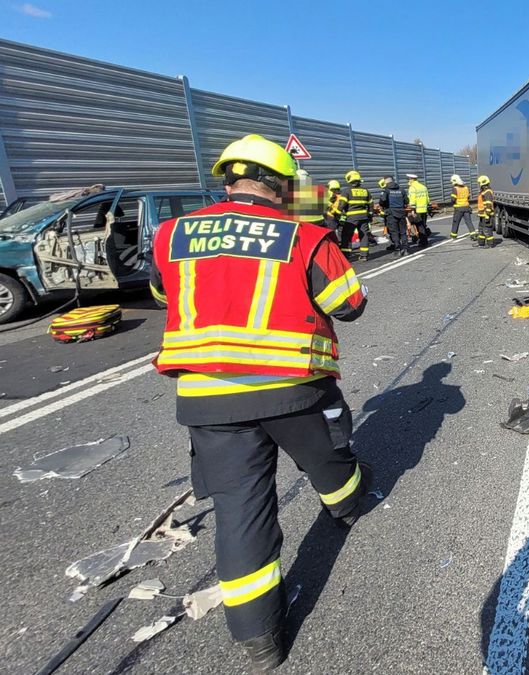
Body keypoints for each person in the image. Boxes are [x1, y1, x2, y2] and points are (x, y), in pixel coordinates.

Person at [149, 134, 371, 672]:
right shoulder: (305, 236)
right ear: (280, 186)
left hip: (207, 397)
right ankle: (345, 505)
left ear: (228, 179)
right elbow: (350, 304)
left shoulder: (172, 232)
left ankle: (259, 640)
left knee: (241, 513)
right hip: (292, 388)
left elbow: (163, 293)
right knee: (329, 460)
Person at [340, 170, 372, 261]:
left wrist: (337, 214)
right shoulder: (366, 191)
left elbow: (342, 205)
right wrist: (370, 215)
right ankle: (364, 255)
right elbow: (370, 204)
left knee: (346, 235)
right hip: (364, 217)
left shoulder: (346, 191)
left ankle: (346, 255)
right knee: (364, 235)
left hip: (351, 218)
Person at [377, 176, 409, 256]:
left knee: (394, 232)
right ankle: (405, 249)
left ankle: (397, 249)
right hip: (401, 213)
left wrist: (383, 205)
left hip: (391, 214)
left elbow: (382, 201)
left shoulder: (386, 191)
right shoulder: (401, 190)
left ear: (386, 182)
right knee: (403, 232)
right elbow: (406, 201)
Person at [405, 173, 430, 248]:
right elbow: (428, 199)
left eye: (408, 179)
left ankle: (423, 242)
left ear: (411, 179)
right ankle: (423, 240)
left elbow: (412, 200)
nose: (408, 181)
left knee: (419, 226)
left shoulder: (412, 188)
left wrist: (412, 210)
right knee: (423, 225)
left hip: (417, 210)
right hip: (424, 209)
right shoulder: (423, 187)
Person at [447, 174, 474, 240]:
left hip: (458, 208)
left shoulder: (455, 189)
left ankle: (453, 235)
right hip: (466, 207)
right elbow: (468, 197)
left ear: (454, 181)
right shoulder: (466, 188)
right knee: (469, 222)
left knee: (456, 222)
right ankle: (473, 234)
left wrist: (452, 203)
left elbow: (453, 199)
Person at [476, 174, 496, 248]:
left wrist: (487, 215)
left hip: (486, 215)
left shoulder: (487, 192)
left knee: (487, 230)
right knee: (481, 229)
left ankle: (490, 244)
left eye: (480, 183)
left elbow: (488, 205)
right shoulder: (483, 192)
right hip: (482, 215)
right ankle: (481, 243)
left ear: (482, 183)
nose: (479, 185)